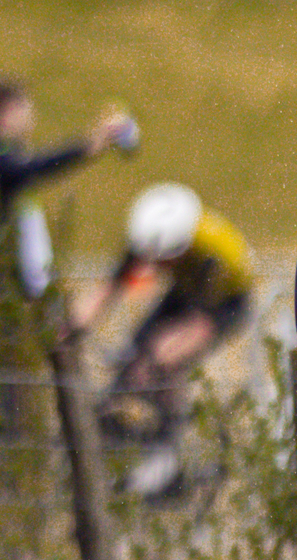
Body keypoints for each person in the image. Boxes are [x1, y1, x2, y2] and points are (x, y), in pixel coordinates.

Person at [67, 183, 255, 489]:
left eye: (160, 261)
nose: (152, 267)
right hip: (184, 289)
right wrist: (72, 327)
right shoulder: (149, 235)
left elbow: (199, 327)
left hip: (225, 302)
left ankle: (167, 450)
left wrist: (157, 359)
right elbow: (108, 289)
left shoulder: (214, 253)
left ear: (179, 248)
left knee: (164, 358)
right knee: (135, 350)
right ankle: (120, 430)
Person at [0, 83, 140, 310]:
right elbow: (29, 168)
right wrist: (86, 147)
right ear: (5, 112)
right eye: (25, 107)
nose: (31, 114)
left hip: (9, 276)